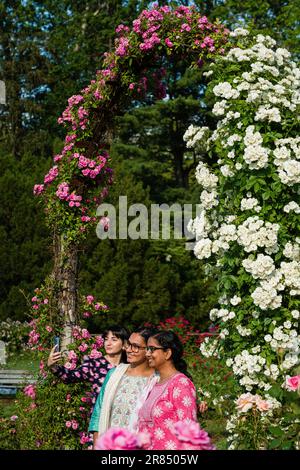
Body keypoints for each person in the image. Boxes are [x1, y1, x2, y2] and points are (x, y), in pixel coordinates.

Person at [88, 326, 158, 447]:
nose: (129, 350)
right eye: (129, 344)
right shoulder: (114, 374)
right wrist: (97, 444)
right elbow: (98, 412)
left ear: (149, 350)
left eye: (135, 346)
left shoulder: (157, 380)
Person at [137, 330, 199, 450]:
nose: (147, 354)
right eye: (147, 349)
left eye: (152, 349)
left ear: (167, 353)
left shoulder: (181, 384)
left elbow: (189, 431)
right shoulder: (154, 383)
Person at [47, 325, 129, 408]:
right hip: (99, 418)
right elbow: (70, 377)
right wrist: (52, 366)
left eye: (114, 339)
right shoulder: (95, 365)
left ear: (124, 344)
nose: (108, 343)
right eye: (106, 339)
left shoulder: (130, 367)